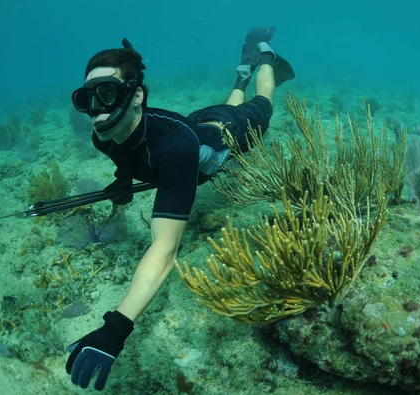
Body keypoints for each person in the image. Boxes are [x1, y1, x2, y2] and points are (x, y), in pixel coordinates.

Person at [65, 26, 294, 391]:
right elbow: (123, 153)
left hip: (228, 133)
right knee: (225, 107)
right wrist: (123, 178)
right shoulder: (103, 134)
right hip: (202, 122)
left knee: (264, 103)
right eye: (85, 99)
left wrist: (116, 328)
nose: (95, 111)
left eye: (106, 94)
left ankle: (266, 57)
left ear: (136, 94)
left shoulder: (173, 150)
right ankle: (242, 73)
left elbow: (165, 248)